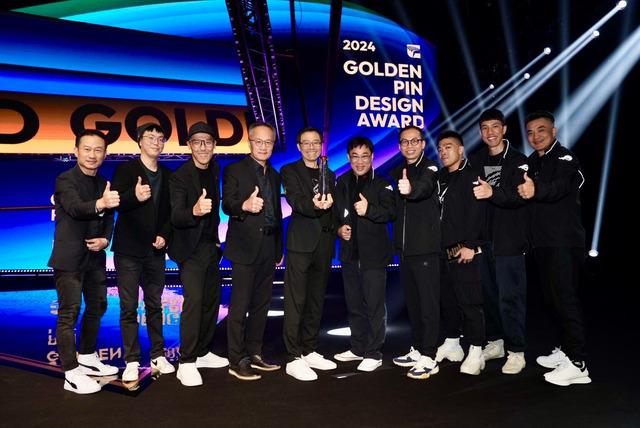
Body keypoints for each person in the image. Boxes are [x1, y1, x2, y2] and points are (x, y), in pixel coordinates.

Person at [517, 110, 590, 386]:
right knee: (552, 300)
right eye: (530, 132)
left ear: (553, 131)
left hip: (564, 242)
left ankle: (579, 363)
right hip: (542, 244)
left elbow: (559, 187)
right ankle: (566, 351)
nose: (535, 136)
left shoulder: (565, 158)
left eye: (541, 130)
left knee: (566, 300)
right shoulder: (532, 161)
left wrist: (536, 190)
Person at [48, 129, 119, 394]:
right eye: (87, 149)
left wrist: (105, 239)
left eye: (98, 150)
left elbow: (109, 217)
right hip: (69, 259)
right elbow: (76, 208)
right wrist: (101, 203)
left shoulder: (103, 182)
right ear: (76, 151)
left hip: (95, 257)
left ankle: (87, 356)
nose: (92, 155)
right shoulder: (65, 179)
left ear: (105, 154)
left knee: (98, 306)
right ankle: (70, 372)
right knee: (69, 313)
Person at [111, 123, 175, 382]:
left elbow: (170, 212)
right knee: (128, 307)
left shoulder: (168, 175)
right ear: (139, 141)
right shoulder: (126, 170)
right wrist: (133, 196)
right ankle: (131, 360)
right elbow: (116, 201)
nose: (156, 142)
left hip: (156, 251)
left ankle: (158, 355)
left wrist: (165, 235)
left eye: (160, 138)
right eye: (150, 137)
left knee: (155, 305)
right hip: (128, 250)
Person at [168, 121, 228, 387]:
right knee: (194, 303)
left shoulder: (215, 168)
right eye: (197, 142)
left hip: (210, 247)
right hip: (189, 249)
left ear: (214, 145)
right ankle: (186, 361)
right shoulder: (179, 177)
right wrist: (194, 210)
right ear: (189, 145)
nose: (203, 147)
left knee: (211, 302)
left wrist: (215, 241)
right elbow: (176, 216)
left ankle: (203, 352)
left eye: (207, 142)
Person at [469, 109, 529, 375]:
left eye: (495, 126)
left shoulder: (519, 161)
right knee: (488, 296)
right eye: (485, 128)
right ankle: (496, 342)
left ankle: (517, 351)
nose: (490, 132)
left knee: (510, 298)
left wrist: (492, 192)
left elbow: (520, 196)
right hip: (484, 241)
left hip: (509, 241)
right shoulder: (476, 160)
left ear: (504, 129)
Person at [223, 122, 283, 381]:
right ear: (249, 142)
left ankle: (255, 353)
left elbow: (276, 214)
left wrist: (278, 247)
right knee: (240, 306)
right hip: (244, 247)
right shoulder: (234, 170)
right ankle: (236, 360)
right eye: (259, 141)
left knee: (261, 305)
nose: (263, 146)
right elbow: (227, 204)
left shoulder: (275, 175)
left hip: (269, 247)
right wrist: (244, 206)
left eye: (268, 142)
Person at [333, 136, 396, 372]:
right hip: (349, 253)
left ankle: (374, 352)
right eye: (355, 156)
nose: (360, 161)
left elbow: (391, 212)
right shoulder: (342, 182)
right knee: (354, 304)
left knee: (374, 305)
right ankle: (358, 347)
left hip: (374, 255)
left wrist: (369, 210)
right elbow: (335, 216)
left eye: (365, 156)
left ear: (372, 157)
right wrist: (339, 229)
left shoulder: (382, 182)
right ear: (348, 158)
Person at [281, 127, 337, 381]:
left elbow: (334, 208)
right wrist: (312, 204)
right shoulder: (290, 171)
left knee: (316, 299)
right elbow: (295, 199)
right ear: (299, 146)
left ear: (321, 145)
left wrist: (339, 227)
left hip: (324, 243)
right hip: (301, 242)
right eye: (306, 143)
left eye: (316, 142)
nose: (311, 147)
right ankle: (293, 356)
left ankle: (309, 349)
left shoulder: (330, 173)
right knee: (296, 300)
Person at [389, 126, 441, 380]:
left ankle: (430, 356)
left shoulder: (430, 168)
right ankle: (419, 348)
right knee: (414, 304)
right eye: (404, 142)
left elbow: (425, 187)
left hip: (426, 249)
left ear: (422, 144)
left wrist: (411, 189)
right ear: (400, 146)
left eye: (414, 141)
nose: (409, 146)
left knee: (428, 304)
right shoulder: (398, 171)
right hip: (405, 251)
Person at [436, 130, 487, 375]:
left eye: (448, 147)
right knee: (448, 301)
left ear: (460, 149)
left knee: (470, 302)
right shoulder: (441, 178)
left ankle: (476, 350)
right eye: (440, 148)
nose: (443, 152)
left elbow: (479, 214)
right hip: (442, 251)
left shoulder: (472, 176)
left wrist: (471, 245)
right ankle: (453, 342)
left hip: (464, 249)